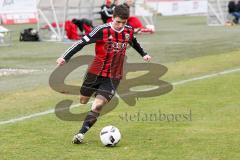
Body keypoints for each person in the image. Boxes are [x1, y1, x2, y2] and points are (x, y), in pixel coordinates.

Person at [56, 4, 151, 144]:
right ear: (112, 18)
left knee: (98, 105)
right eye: (118, 22)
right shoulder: (101, 30)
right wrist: (65, 57)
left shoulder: (128, 30)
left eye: (123, 23)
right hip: (94, 73)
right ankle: (94, 95)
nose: (120, 25)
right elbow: (80, 43)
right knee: (83, 100)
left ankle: (81, 134)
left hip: (114, 76)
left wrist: (144, 54)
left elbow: (134, 42)